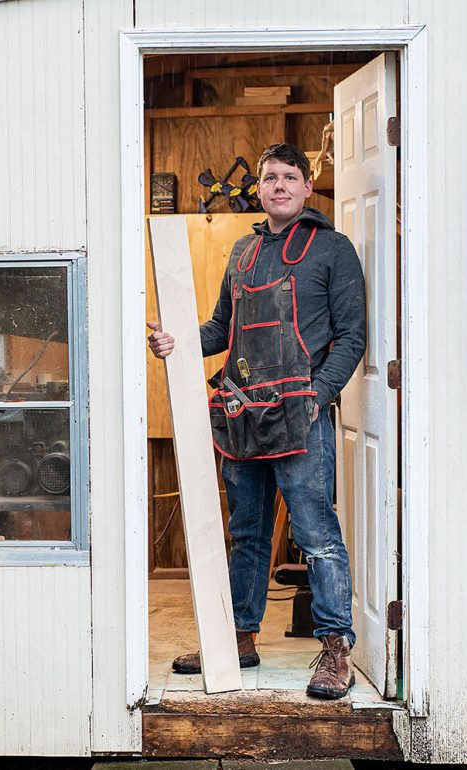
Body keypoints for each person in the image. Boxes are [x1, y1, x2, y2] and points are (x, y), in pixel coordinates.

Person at [146, 143, 366, 700]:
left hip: (300, 416)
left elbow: (352, 337)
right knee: (246, 535)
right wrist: (179, 342)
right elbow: (223, 328)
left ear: (307, 186)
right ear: (260, 189)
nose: (279, 186)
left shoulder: (333, 250)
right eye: (270, 178)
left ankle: (336, 646)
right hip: (243, 414)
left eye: (290, 177)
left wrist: (318, 395)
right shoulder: (242, 252)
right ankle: (239, 639)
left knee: (315, 535)